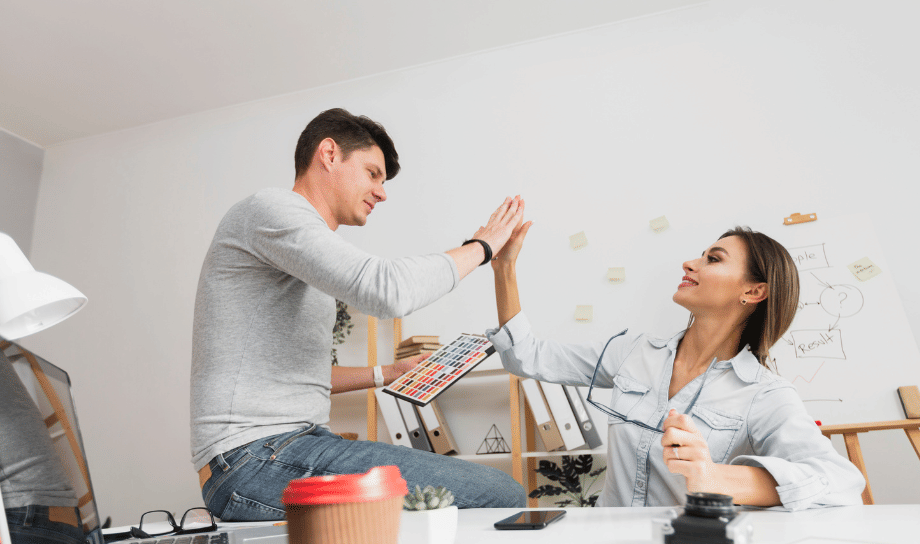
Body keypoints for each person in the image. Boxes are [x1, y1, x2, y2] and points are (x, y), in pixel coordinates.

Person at [191, 108, 527, 521]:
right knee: (498, 494)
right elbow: (386, 290)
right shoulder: (270, 210)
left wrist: (389, 372)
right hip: (251, 458)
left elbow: (303, 375)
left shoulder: (300, 251)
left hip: (276, 449)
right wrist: (482, 246)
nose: (382, 192)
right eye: (372, 174)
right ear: (329, 154)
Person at [486, 220, 866, 509]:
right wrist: (504, 270)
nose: (689, 263)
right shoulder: (632, 353)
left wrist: (713, 476)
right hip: (604, 541)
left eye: (712, 259)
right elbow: (527, 356)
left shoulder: (764, 394)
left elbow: (840, 481)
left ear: (753, 291)